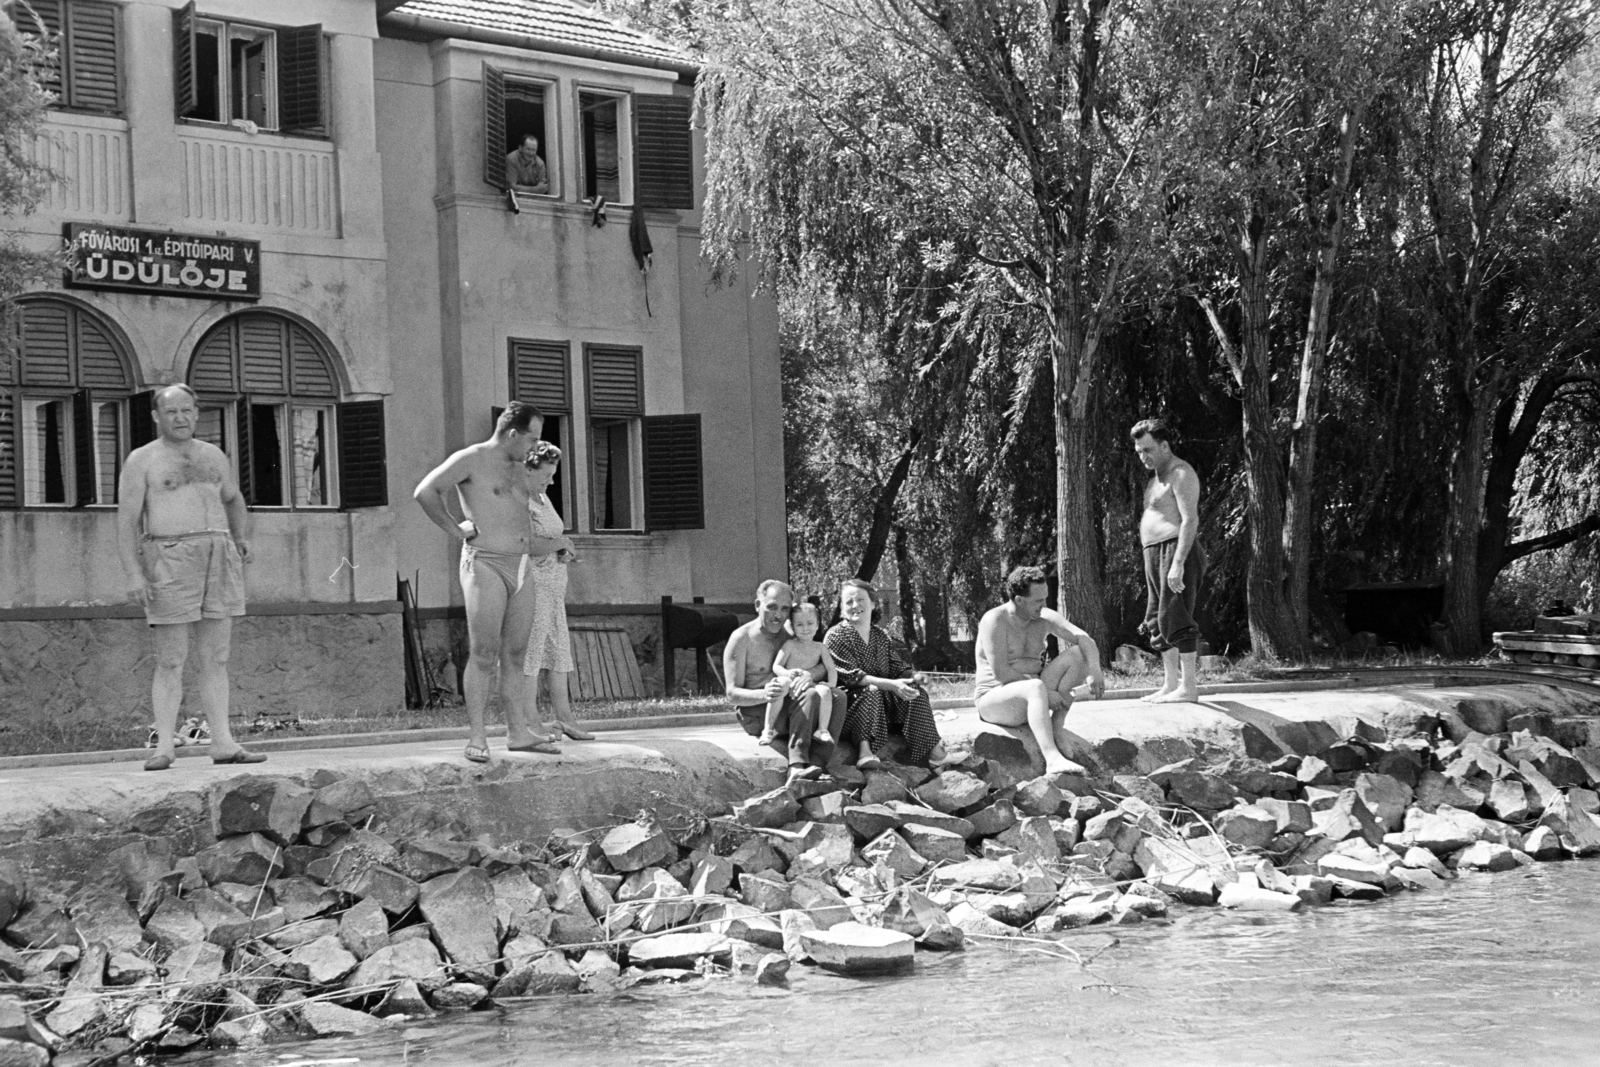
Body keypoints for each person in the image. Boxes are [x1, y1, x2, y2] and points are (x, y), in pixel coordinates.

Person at [116, 384, 265, 771]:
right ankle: (164, 746)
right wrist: (134, 573)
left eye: (187, 411)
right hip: (169, 556)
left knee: (217, 655)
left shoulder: (213, 456)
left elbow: (233, 498)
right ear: (156, 417)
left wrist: (241, 537)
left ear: (197, 413)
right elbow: (126, 521)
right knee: (170, 658)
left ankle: (223, 743)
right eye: (171, 412)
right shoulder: (141, 460)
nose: (180, 418)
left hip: (217, 555)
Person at [414, 401, 573, 761]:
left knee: (516, 655)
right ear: (512, 433)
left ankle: (517, 733)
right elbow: (425, 491)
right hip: (485, 563)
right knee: (483, 653)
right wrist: (456, 530)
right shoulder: (471, 458)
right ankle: (477, 736)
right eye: (531, 438)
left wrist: (555, 545)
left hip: (521, 565)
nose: (535, 446)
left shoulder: (520, 467)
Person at [973, 566, 1104, 776]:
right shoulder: (995, 620)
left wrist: (1095, 672)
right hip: (995, 698)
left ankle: (1056, 726)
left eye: (1045, 598)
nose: (1044, 605)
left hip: (1036, 692)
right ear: (1019, 600)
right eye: (1038, 601)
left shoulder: (1044, 617)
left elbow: (1084, 638)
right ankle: (1052, 759)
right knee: (1035, 686)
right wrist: (1046, 693)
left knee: (1079, 654)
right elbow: (1002, 673)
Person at [824, 579, 967, 770]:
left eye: (860, 600)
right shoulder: (835, 636)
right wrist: (892, 685)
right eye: (848, 602)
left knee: (916, 693)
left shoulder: (880, 636)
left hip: (882, 707)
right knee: (871, 690)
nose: (855, 605)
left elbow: (896, 667)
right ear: (842, 608)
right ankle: (864, 751)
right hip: (852, 707)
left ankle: (935, 755)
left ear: (873, 604)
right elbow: (853, 678)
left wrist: (913, 676)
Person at [724, 580, 846, 783]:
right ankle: (796, 766)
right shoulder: (741, 639)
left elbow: (823, 666)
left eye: (784, 609)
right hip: (757, 711)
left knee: (838, 697)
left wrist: (809, 675)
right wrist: (766, 693)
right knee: (809, 695)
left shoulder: (791, 633)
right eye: (771, 607)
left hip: (789, 702)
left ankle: (817, 764)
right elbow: (732, 694)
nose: (778, 615)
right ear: (757, 605)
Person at [519, 442, 591, 742]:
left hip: (553, 587)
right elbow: (526, 544)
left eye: (553, 474)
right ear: (527, 469)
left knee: (558, 651)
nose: (550, 481)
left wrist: (565, 549)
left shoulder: (543, 498)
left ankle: (565, 718)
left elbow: (551, 537)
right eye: (545, 474)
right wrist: (560, 544)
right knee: (531, 653)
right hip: (532, 586)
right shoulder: (520, 500)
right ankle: (530, 721)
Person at [1132, 417, 1205, 703]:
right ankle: (1170, 683)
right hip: (1154, 552)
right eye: (1139, 451)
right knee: (1154, 619)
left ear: (1164, 445)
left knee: (1175, 615)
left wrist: (1177, 562)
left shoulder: (1180, 473)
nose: (1144, 457)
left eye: (1148, 449)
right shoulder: (1155, 479)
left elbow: (1190, 520)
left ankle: (1189, 688)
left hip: (1175, 550)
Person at [759, 601, 837, 747]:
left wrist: (831, 683)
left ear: (817, 624)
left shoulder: (820, 647)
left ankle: (822, 730)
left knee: (825, 691)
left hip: (809, 684)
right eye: (799, 624)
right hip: (790, 683)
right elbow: (777, 666)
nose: (805, 628)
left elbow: (831, 668)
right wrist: (787, 673)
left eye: (809, 623)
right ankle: (768, 729)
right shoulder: (790, 645)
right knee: (779, 684)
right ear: (793, 627)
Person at [505, 133, 549, 211]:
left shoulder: (540, 164)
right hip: (514, 204)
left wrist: (521, 188)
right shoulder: (512, 159)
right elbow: (511, 187)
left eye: (534, 150)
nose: (531, 153)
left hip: (533, 206)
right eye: (528, 149)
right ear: (521, 148)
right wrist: (535, 189)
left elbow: (542, 190)